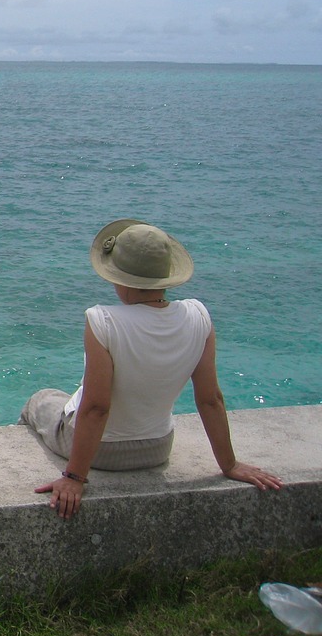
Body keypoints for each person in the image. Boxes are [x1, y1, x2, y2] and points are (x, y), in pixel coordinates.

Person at [20, 218, 282, 519]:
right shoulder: (199, 317)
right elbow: (211, 400)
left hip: (103, 452)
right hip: (156, 448)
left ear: (118, 278)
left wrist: (74, 477)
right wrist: (230, 465)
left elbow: (97, 408)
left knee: (41, 400)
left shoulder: (102, 321)